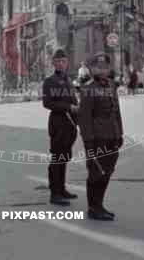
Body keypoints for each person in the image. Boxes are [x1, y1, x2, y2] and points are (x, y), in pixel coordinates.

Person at [78, 52, 124, 220]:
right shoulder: (88, 88)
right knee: (96, 172)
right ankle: (93, 208)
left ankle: (100, 205)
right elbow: (84, 118)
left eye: (105, 66)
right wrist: (88, 142)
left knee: (108, 171)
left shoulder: (111, 85)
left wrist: (120, 134)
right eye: (98, 67)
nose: (102, 69)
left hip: (112, 136)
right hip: (97, 139)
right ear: (92, 69)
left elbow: (116, 112)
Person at [42, 48, 79, 206]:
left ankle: (62, 188)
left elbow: (74, 101)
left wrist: (78, 115)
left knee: (64, 158)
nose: (61, 64)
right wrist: (68, 108)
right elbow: (47, 103)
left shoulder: (69, 80)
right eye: (58, 61)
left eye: (63, 61)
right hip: (58, 124)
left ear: (67, 63)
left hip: (70, 125)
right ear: (53, 63)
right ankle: (54, 193)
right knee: (57, 159)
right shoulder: (49, 81)